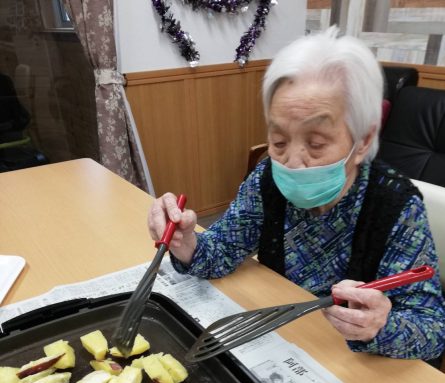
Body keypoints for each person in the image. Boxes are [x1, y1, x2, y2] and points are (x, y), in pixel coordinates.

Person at [147, 27, 445, 363]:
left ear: (362, 141)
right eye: (279, 142)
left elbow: (432, 329)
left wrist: (381, 324)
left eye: (316, 144)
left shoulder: (396, 206)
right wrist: (187, 244)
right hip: (283, 342)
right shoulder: (267, 179)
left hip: (358, 369)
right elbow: (224, 251)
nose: (293, 162)